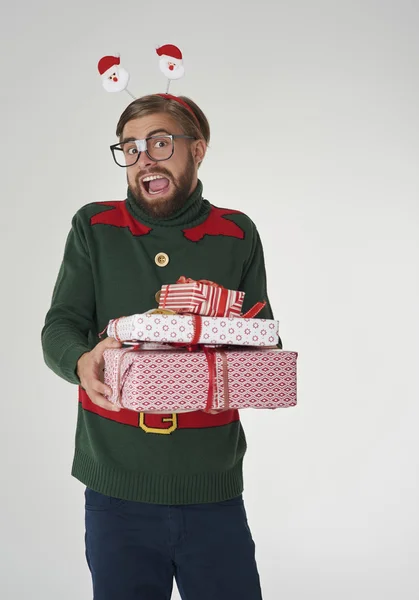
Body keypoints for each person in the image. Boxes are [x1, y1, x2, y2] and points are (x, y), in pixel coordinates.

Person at [42, 93, 281, 600]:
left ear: (198, 150)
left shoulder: (236, 233)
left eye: (160, 142)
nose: (143, 158)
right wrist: (81, 360)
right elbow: (60, 326)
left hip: (212, 489)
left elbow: (265, 339)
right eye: (130, 147)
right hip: (115, 492)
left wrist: (212, 322)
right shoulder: (95, 226)